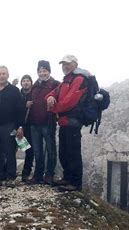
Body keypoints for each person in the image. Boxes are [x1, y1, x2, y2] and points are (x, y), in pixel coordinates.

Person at [46, 55, 88, 191]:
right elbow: (52, 93)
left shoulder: (80, 79)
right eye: (63, 64)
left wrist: (53, 108)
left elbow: (70, 101)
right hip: (64, 122)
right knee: (64, 151)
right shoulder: (66, 80)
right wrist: (51, 97)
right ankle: (67, 178)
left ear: (75, 64)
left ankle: (75, 183)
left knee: (73, 152)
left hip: (73, 121)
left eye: (68, 64)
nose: (65, 66)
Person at [28, 60, 60, 185]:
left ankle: (50, 175)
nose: (42, 73)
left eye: (44, 71)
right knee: (37, 151)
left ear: (49, 71)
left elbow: (60, 99)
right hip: (34, 123)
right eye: (40, 71)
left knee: (51, 150)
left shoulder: (56, 84)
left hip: (49, 122)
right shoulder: (34, 86)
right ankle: (38, 174)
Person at [19, 74, 34, 182]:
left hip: (29, 126)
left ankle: (26, 173)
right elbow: (14, 106)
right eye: (24, 81)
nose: (26, 82)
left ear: (31, 83)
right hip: (17, 126)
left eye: (28, 80)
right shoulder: (17, 94)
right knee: (11, 149)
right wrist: (25, 104)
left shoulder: (34, 94)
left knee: (28, 149)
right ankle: (7, 170)